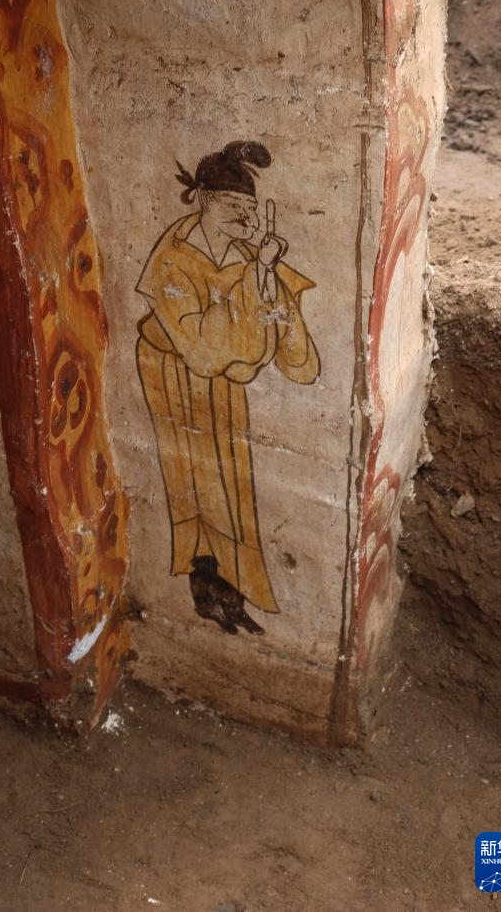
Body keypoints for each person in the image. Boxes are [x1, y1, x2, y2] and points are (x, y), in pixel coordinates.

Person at [136, 141, 319, 635]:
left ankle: (232, 594)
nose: (244, 216)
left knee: (230, 481)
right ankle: (207, 590)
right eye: (233, 205)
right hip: (174, 372)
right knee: (193, 483)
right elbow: (199, 344)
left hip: (221, 377)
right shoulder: (173, 258)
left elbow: (274, 313)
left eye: (248, 208)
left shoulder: (242, 252)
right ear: (203, 199)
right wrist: (256, 272)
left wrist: (264, 270)